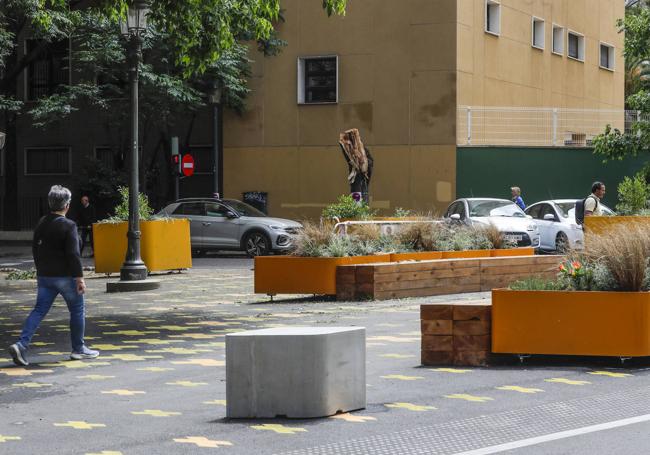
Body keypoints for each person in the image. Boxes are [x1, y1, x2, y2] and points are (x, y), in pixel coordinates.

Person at [8, 185, 99, 366]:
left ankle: (21, 344)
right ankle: (78, 349)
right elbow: (73, 254)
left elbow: (35, 248)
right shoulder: (69, 225)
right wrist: (79, 278)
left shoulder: (42, 222)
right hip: (65, 276)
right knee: (77, 310)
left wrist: (40, 269)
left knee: (39, 310)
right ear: (66, 205)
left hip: (45, 276)